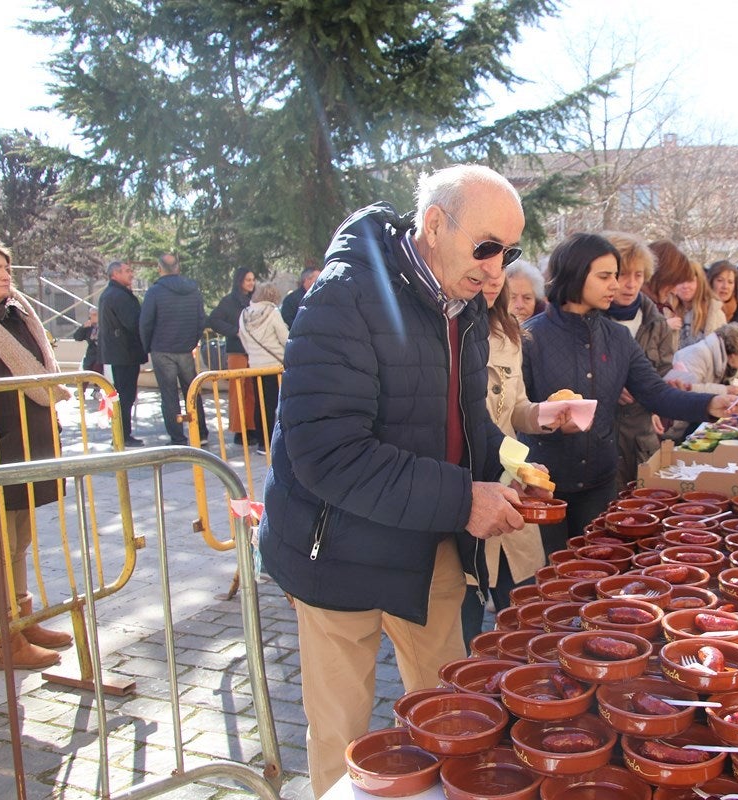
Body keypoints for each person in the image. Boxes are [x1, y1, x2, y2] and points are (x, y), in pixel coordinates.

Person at [258, 164, 541, 796]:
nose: (498, 269)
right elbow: (326, 451)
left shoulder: (465, 306)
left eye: (510, 253)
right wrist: (463, 499)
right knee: (343, 740)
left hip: (422, 540)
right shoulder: (344, 295)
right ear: (435, 225)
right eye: (487, 248)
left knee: (451, 711)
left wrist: (513, 467)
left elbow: (467, 423)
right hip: (335, 552)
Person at [520, 233, 734, 556]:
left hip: (600, 484)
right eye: (605, 276)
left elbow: (655, 393)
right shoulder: (530, 337)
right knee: (545, 582)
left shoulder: (617, 338)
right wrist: (548, 421)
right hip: (543, 485)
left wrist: (709, 404)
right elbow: (512, 411)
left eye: (616, 276)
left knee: (595, 573)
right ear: (576, 275)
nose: (616, 285)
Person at [459, 269, 567, 649]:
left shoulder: (510, 335)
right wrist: (517, 463)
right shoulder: (449, 330)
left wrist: (549, 415)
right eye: (481, 267)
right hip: (468, 488)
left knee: (521, 612)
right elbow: (470, 427)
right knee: (464, 621)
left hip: (514, 482)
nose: (491, 277)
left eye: (499, 269)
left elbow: (516, 408)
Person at [0, 239, 73, 670]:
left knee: (18, 538)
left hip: (24, 441)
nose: (4, 274)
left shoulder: (16, 311)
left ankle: (21, 618)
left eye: (5, 267)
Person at [603, 231, 676, 490]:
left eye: (638, 275)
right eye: (623, 274)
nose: (631, 284)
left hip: (641, 442)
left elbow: (664, 372)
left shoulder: (657, 322)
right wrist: (608, 384)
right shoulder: (590, 319)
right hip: (601, 443)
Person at [139, 253, 207, 445]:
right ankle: (201, 433)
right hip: (185, 348)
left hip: (162, 349)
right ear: (178, 267)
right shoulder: (193, 290)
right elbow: (201, 319)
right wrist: (192, 341)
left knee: (169, 395)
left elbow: (146, 323)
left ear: (160, 268)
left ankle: (178, 437)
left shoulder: (154, 292)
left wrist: (148, 347)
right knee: (192, 391)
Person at [97, 259, 146, 447]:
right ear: (115, 274)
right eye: (126, 271)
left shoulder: (113, 294)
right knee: (124, 395)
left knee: (122, 395)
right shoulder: (118, 295)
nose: (131, 274)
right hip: (123, 354)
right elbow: (133, 323)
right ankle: (122, 435)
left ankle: (122, 433)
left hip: (119, 353)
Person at [206, 267, 257, 446]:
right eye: (248, 280)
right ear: (240, 281)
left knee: (252, 391)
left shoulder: (255, 300)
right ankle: (239, 430)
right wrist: (235, 331)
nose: (251, 283)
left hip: (254, 352)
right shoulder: (229, 301)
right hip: (237, 351)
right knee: (237, 392)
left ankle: (252, 427)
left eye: (253, 279)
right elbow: (214, 320)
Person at [238, 284, 288, 454]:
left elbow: (243, 340)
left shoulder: (244, 314)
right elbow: (284, 338)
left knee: (260, 405)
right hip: (274, 366)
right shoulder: (272, 313)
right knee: (276, 404)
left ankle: (262, 442)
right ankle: (277, 440)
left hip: (255, 366)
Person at [664, 322, 738, 394]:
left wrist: (733, 376)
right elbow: (688, 388)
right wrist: (725, 390)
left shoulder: (723, 361)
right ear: (735, 353)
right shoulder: (698, 354)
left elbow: (730, 385)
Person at [643, 239, 696, 347]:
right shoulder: (633, 307)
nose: (675, 291)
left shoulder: (659, 307)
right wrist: (663, 328)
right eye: (672, 283)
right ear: (661, 276)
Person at [675, 261, 726, 349]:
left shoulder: (713, 313)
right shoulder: (666, 311)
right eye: (680, 281)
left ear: (699, 283)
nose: (685, 286)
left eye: (690, 281)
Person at [707, 259, 738, 323]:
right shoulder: (699, 310)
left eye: (730, 282)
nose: (725, 286)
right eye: (720, 280)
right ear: (710, 282)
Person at [72, 308, 102, 376]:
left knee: (98, 369)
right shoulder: (89, 326)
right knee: (86, 371)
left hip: (101, 354)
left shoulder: (104, 325)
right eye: (90, 315)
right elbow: (77, 338)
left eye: (94, 315)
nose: (92, 317)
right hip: (91, 354)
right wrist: (83, 327)